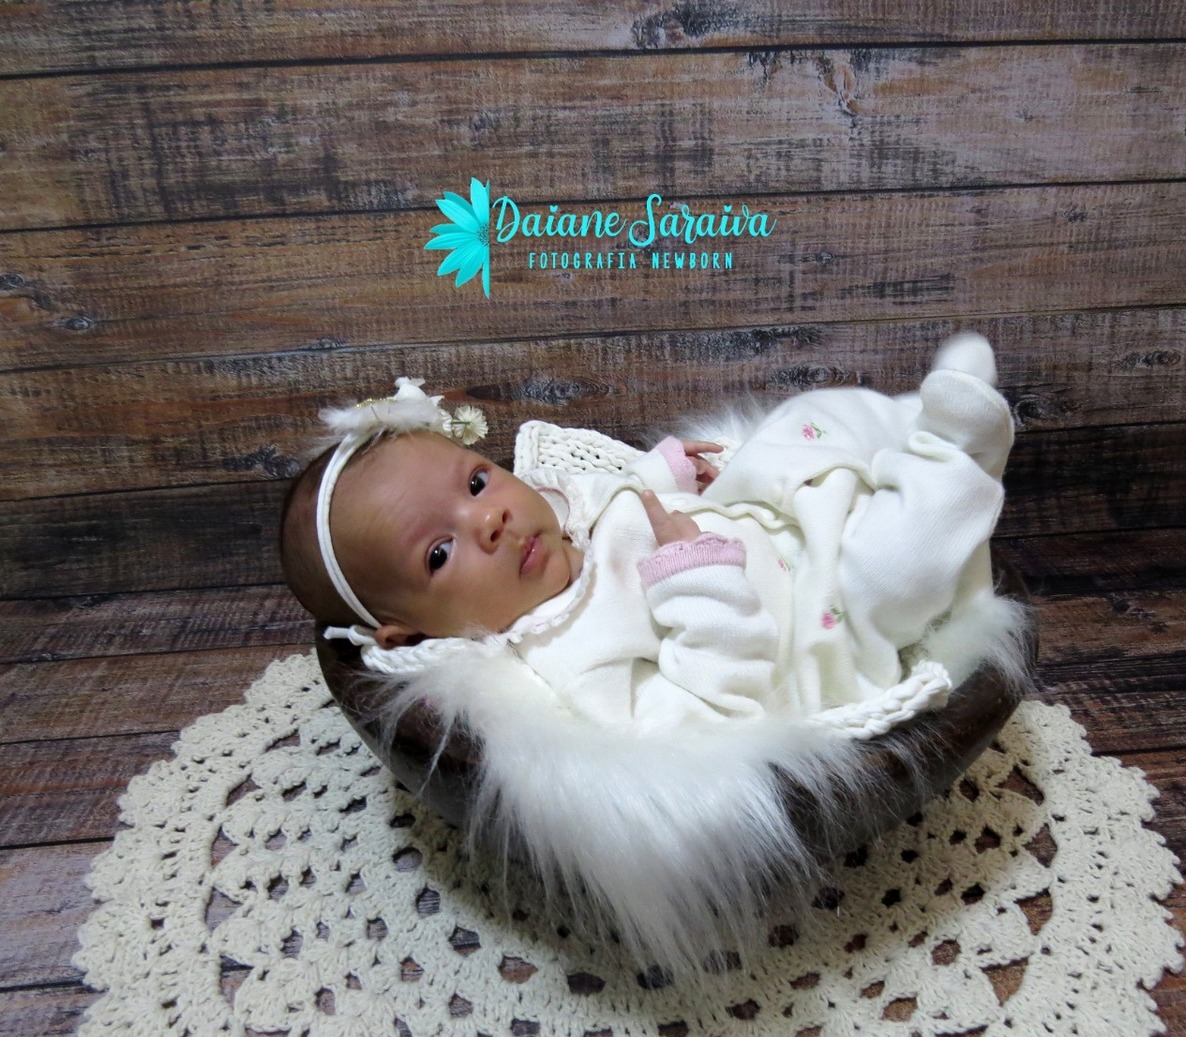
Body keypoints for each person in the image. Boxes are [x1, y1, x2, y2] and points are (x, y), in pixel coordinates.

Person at [279, 333, 1030, 970]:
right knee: (893, 573)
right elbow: (708, 710)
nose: (490, 520)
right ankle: (953, 456)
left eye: (476, 482)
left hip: (775, 525)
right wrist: (696, 580)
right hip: (813, 632)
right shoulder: (573, 659)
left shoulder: (554, 517)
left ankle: (908, 420)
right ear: (411, 634)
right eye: (440, 553)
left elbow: (610, 493)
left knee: (798, 427)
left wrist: (663, 473)